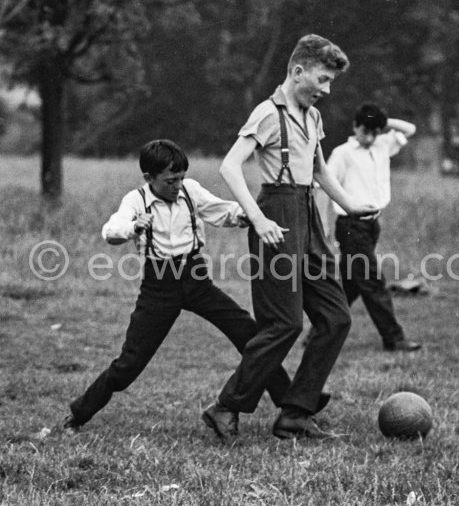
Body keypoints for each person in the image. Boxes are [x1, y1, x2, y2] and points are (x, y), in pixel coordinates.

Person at [202, 34, 379, 442]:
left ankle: (295, 413)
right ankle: (225, 407)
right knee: (283, 323)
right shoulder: (267, 113)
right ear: (297, 71)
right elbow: (230, 168)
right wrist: (257, 217)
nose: (326, 89)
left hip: (309, 217)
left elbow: (319, 172)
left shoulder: (313, 117)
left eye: (331, 82)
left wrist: (350, 205)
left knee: (336, 317)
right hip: (276, 215)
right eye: (322, 79)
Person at [53, 139, 292, 438]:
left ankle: (292, 405)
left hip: (196, 279)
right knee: (130, 363)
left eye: (180, 178)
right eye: (170, 180)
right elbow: (111, 231)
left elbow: (221, 211)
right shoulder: (135, 201)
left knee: (249, 333)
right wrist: (133, 228)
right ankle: (77, 415)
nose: (177, 185)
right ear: (149, 178)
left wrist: (248, 215)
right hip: (159, 286)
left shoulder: (190, 191)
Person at [327, 102, 421, 351]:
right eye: (364, 130)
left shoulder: (382, 145)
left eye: (373, 132)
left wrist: (381, 120)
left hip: (371, 225)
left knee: (351, 284)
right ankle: (394, 337)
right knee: (373, 281)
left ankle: (320, 331)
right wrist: (325, 228)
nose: (368, 137)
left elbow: (410, 129)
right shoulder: (342, 153)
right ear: (355, 127)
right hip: (350, 225)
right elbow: (324, 187)